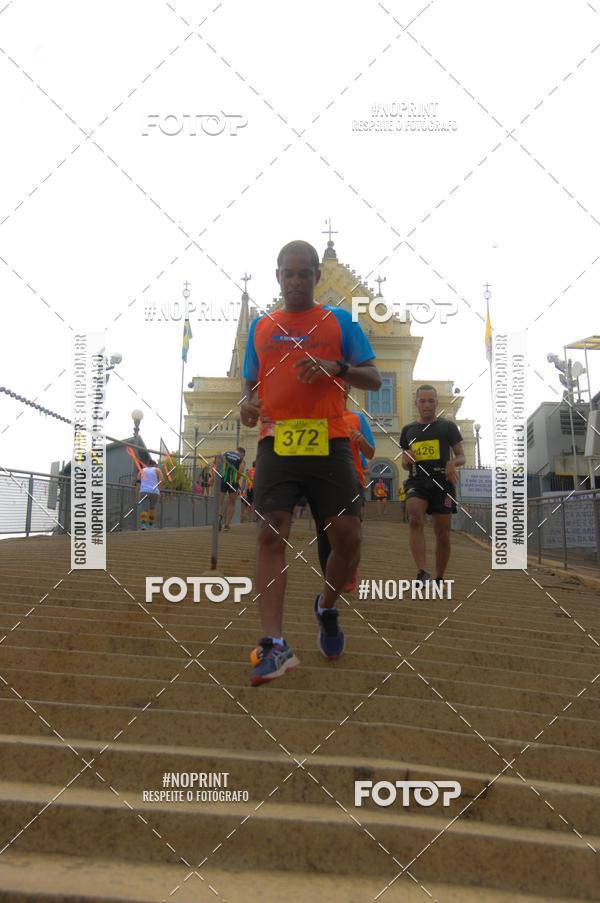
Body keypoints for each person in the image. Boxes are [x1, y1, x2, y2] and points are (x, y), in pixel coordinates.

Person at [240, 239, 381, 686]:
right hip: (277, 442)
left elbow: (373, 377)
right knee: (270, 531)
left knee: (348, 536)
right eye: (288, 273)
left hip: (332, 439)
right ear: (277, 277)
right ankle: (274, 644)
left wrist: (333, 366)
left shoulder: (339, 321)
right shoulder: (262, 328)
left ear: (317, 277)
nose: (296, 281)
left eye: (305, 273)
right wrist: (247, 405)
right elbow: (249, 389)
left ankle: (326, 607)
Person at [400, 385, 465, 586]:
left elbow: (461, 455)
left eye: (430, 401)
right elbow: (404, 463)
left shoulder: (447, 427)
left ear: (436, 403)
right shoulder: (408, 430)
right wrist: (406, 457)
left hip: (442, 483)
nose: (426, 405)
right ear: (416, 403)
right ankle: (422, 571)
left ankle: (439, 577)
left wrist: (451, 463)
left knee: (443, 534)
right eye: (422, 401)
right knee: (414, 519)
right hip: (417, 481)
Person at [315, 385, 376, 592]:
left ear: (347, 390)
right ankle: (330, 579)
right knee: (324, 532)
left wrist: (360, 439)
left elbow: (370, 453)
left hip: (353, 480)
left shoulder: (357, 418)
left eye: (342, 387)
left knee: (352, 532)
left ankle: (350, 571)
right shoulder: (317, 418)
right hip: (322, 481)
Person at [219, 447, 245, 531]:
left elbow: (219, 465)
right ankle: (227, 525)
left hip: (223, 478)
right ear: (242, 454)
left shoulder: (226, 453)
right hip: (233, 480)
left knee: (220, 502)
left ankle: (219, 517)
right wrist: (236, 479)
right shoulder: (241, 460)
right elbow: (240, 471)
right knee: (232, 503)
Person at [138, 459, 163, 530]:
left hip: (143, 491)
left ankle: (143, 525)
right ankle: (150, 525)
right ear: (154, 464)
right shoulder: (157, 470)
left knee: (144, 508)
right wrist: (159, 490)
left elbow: (137, 483)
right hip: (154, 492)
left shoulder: (141, 470)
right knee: (152, 508)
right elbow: (161, 480)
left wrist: (137, 493)